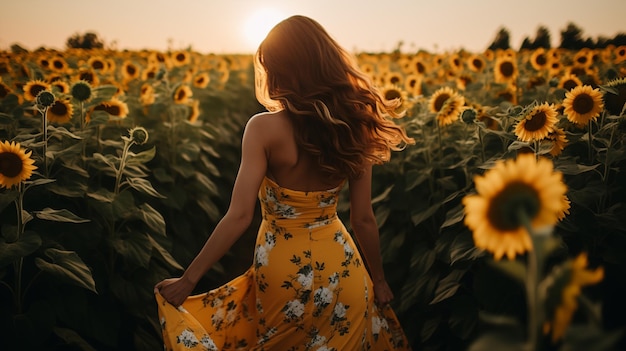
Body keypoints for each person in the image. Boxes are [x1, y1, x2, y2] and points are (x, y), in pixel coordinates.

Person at [154, 15, 414, 350]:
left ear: (281, 70)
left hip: (282, 271)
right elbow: (363, 219)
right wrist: (379, 281)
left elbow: (239, 216)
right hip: (342, 266)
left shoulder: (263, 129)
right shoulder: (354, 126)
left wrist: (188, 281)